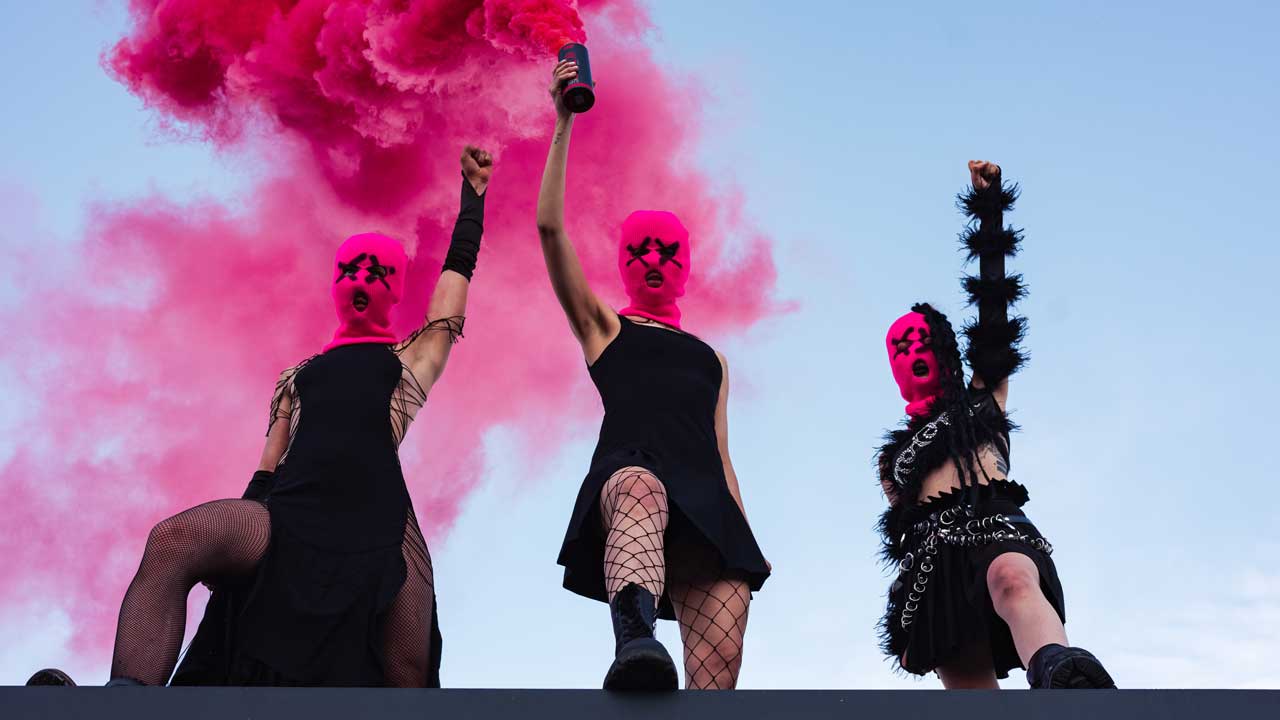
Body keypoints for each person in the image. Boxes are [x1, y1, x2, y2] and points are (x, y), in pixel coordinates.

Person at [31, 146, 492, 688]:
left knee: (407, 667)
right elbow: (268, 464)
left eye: (376, 271)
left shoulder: (411, 359)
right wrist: (236, 572)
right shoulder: (296, 376)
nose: (361, 279)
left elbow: (451, 294)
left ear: (393, 288)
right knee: (174, 541)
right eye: (350, 269)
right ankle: (125, 703)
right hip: (290, 516)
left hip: (380, 523)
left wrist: (474, 201)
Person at [537, 59, 770, 691]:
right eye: (640, 249)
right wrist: (563, 121)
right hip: (632, 476)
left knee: (718, 673)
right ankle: (635, 641)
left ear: (686, 268)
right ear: (623, 261)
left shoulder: (711, 358)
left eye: (669, 251)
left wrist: (742, 537)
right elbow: (551, 230)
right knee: (638, 487)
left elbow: (722, 454)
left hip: (708, 507)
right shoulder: (606, 328)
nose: (655, 260)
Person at [874, 160, 1115, 689]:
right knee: (968, 691)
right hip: (935, 560)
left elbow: (993, 309)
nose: (911, 353)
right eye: (899, 348)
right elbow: (900, 524)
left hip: (994, 522)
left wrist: (989, 211)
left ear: (943, 349)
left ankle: (1060, 671)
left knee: (1011, 580)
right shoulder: (892, 459)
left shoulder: (982, 399)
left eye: (921, 341)